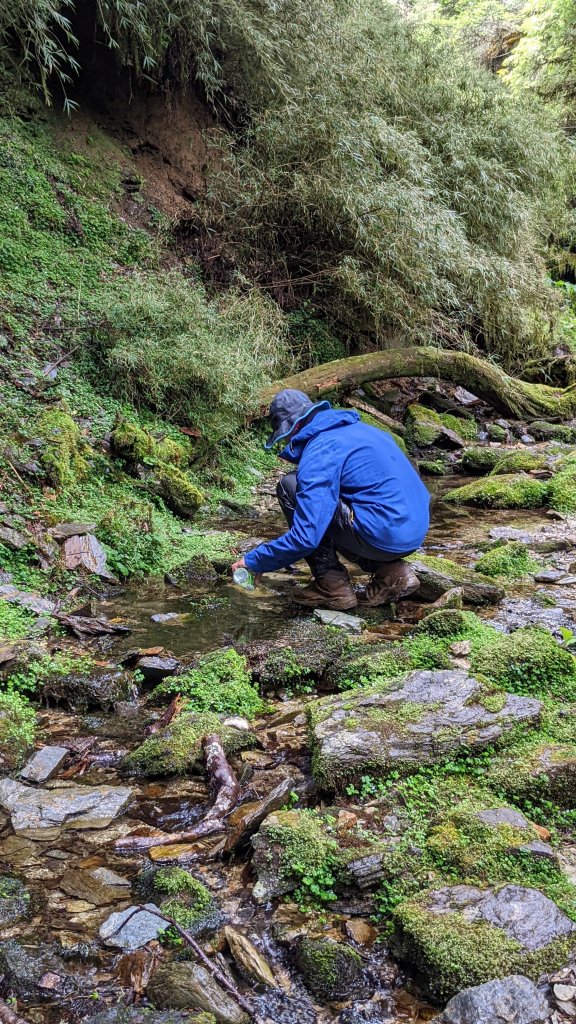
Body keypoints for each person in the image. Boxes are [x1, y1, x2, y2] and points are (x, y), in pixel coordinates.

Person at [231, 388, 430, 610]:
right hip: (414, 533)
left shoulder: (321, 449)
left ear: (294, 428)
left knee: (290, 487)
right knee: (354, 505)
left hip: (382, 533)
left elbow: (306, 537)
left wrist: (255, 561)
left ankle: (331, 586)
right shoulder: (365, 431)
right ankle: (393, 573)